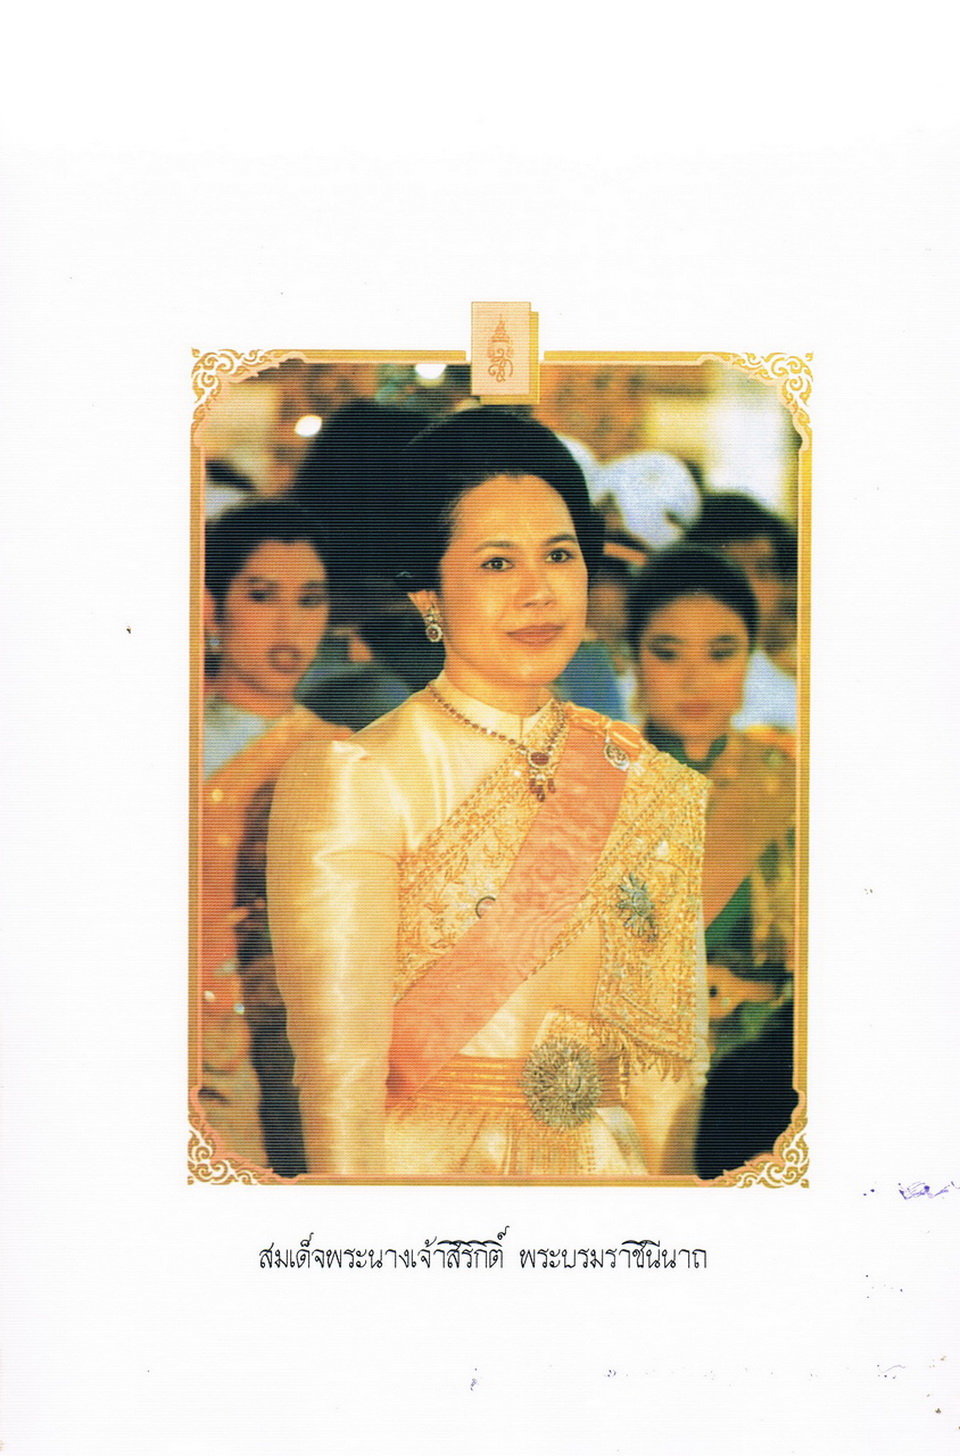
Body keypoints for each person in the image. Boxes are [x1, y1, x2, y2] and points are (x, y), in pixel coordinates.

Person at [268, 407, 710, 1180]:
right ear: (428, 594)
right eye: (497, 563)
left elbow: (670, 1069)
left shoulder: (642, 777)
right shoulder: (355, 777)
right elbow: (340, 1081)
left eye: (560, 555)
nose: (539, 592)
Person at [626, 545, 797, 1177]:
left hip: (768, 1078)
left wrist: (750, 989)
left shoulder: (792, 779)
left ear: (750, 660)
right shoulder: (584, 781)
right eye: (667, 653)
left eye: (721, 653)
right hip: (625, 1085)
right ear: (632, 658)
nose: (694, 680)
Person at [201, 498, 350, 1175]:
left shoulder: (334, 758)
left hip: (238, 1057)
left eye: (309, 600)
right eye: (262, 597)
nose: (290, 626)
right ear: (212, 607)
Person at [684, 492, 798, 730]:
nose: (749, 588)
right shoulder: (635, 684)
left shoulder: (797, 698)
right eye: (730, 569)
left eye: (763, 571)